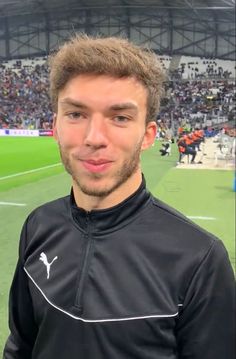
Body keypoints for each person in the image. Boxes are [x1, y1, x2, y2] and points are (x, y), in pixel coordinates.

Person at [3, 34, 235, 359]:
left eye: (120, 118)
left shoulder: (200, 260)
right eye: (76, 114)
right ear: (55, 124)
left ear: (148, 136)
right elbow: (20, 344)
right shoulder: (39, 225)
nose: (94, 137)